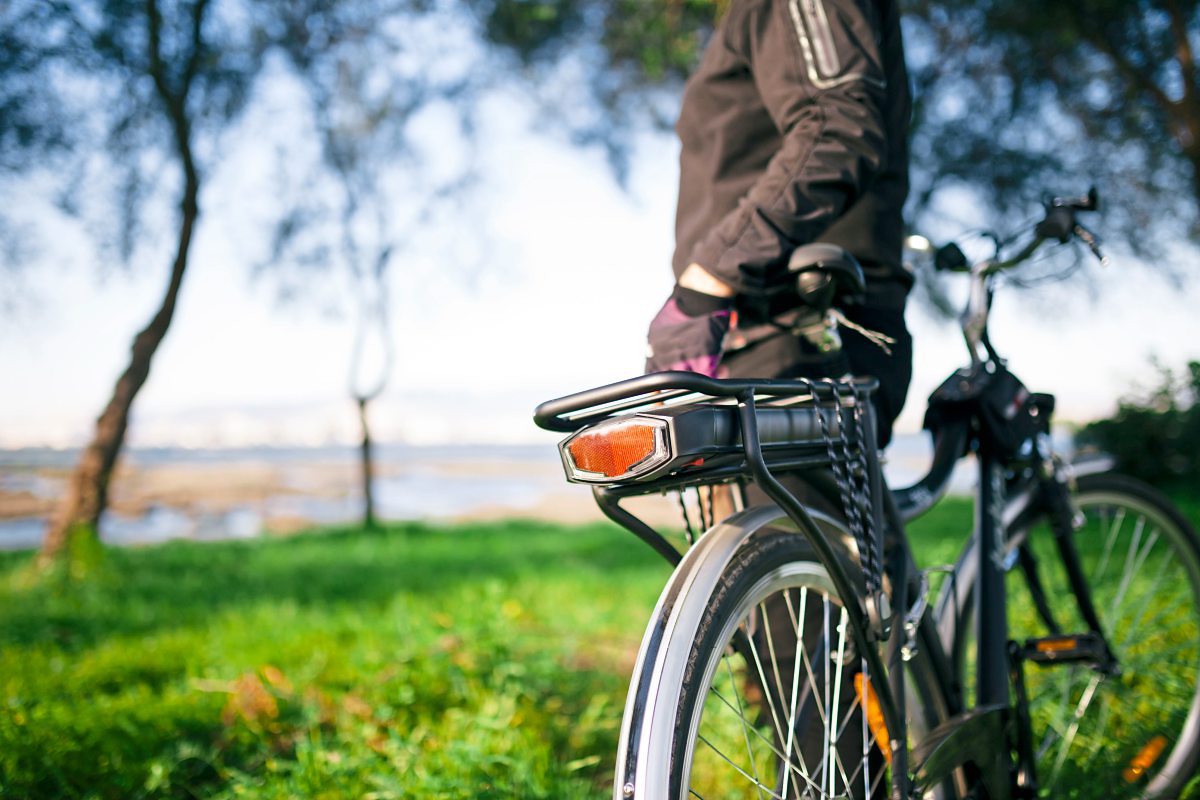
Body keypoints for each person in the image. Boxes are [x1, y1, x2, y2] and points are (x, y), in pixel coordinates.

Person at [644, 0, 913, 448]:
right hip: (758, 339)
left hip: (800, 334)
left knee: (797, 521)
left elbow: (839, 126)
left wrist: (710, 276)